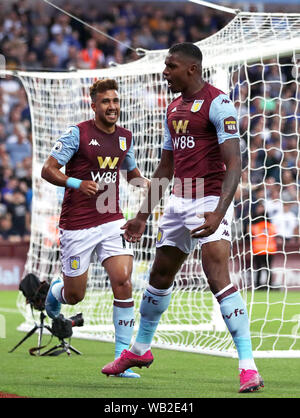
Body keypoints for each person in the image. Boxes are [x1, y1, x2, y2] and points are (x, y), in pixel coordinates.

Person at [101, 43, 264, 393]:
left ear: (191, 69)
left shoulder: (219, 104)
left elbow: (234, 164)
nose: (165, 72)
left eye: (171, 66)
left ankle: (248, 366)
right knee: (160, 275)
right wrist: (141, 216)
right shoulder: (173, 108)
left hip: (209, 198)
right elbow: (165, 166)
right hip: (177, 200)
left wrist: (219, 211)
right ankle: (140, 350)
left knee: (216, 274)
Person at [41, 78, 149, 378]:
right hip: (77, 225)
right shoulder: (77, 133)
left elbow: (132, 175)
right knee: (76, 295)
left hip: (112, 219)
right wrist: (77, 183)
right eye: (106, 102)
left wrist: (151, 186)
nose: (112, 106)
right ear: (94, 106)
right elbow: (47, 170)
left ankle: (121, 360)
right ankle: (55, 292)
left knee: (123, 281)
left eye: (115, 101)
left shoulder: (125, 138)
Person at [251, 203, 277, 288]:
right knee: (268, 269)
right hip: (270, 250)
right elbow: (275, 234)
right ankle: (270, 285)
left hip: (258, 250)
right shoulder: (272, 226)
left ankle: (258, 285)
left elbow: (250, 233)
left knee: (258, 269)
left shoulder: (255, 226)